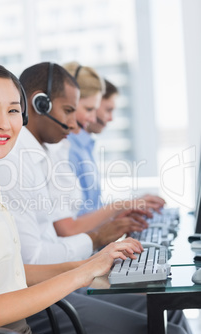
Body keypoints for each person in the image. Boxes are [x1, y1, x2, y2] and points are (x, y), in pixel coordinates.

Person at [0, 63, 191, 334]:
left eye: (14, 111)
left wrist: (93, 266)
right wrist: (82, 274)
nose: (4, 123)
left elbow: (12, 273)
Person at [64, 62, 165, 219]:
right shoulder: (68, 148)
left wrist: (129, 207)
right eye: (108, 109)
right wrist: (125, 206)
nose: (110, 118)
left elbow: (92, 210)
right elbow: (76, 220)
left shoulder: (86, 147)